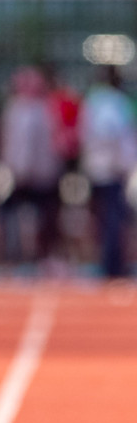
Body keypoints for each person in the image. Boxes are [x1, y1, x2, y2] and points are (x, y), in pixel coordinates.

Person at [0, 66, 61, 266]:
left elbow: (51, 142)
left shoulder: (44, 108)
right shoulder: (15, 109)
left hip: (43, 174)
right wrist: (14, 169)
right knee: (12, 217)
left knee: (46, 219)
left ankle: (43, 257)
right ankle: (13, 257)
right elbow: (9, 142)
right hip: (19, 174)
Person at [79, 66, 137, 279]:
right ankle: (113, 265)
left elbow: (84, 135)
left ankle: (108, 263)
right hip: (112, 169)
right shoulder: (118, 103)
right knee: (114, 219)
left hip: (97, 168)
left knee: (103, 219)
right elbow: (123, 136)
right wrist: (126, 164)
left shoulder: (93, 102)